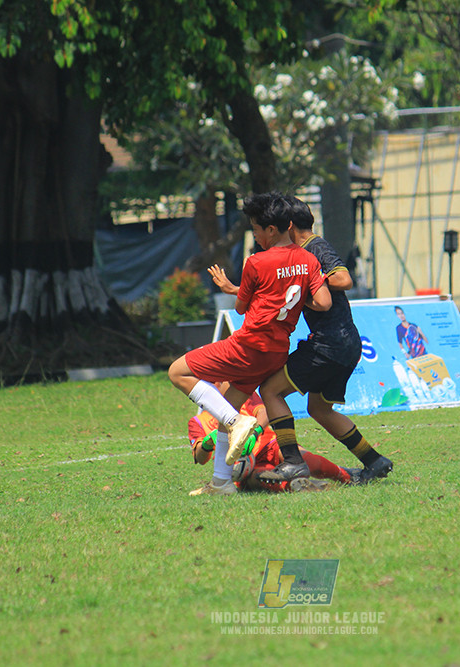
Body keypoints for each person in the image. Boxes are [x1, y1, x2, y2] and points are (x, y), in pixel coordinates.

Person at [167, 192, 331, 495]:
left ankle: (236, 421)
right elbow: (323, 302)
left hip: (248, 345)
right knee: (225, 404)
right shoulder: (308, 260)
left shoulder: (256, 262)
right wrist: (287, 298)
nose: (254, 235)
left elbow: (241, 309)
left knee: (178, 372)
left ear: (271, 229)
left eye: (255, 229)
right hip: (276, 352)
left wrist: (238, 289)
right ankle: (221, 483)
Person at [257, 196, 394, 485]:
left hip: (330, 344)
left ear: (289, 226)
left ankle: (293, 462)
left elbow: (343, 280)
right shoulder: (300, 254)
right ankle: (374, 461)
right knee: (319, 409)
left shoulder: (314, 247)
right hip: (344, 343)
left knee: (270, 390)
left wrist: (307, 281)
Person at [187, 386, 355, 493]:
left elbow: (265, 412)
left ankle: (347, 476)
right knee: (260, 478)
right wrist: (209, 442)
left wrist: (253, 434)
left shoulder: (243, 395)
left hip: (271, 445)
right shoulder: (198, 421)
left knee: (308, 461)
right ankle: (300, 487)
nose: (223, 384)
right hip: (245, 466)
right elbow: (200, 458)